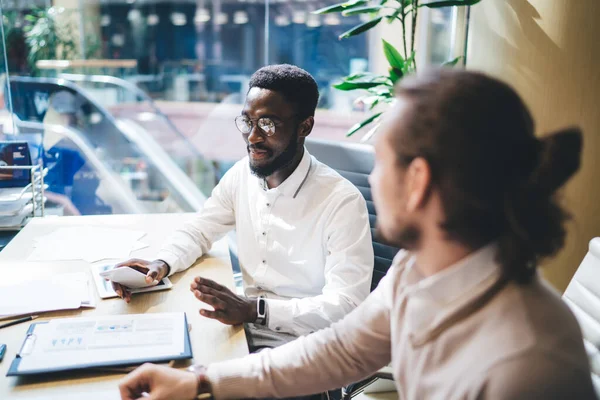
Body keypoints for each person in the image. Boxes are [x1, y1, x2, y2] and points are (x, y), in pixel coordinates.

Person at [118, 69, 597, 400]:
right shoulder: (421, 268)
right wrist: (202, 381)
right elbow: (343, 348)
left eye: (382, 160)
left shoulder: (527, 363)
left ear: (419, 181)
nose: (371, 179)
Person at [111, 64, 374, 350]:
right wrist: (160, 264)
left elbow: (346, 305)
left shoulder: (341, 202)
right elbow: (201, 229)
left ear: (304, 127)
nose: (252, 137)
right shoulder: (241, 175)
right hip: (242, 331)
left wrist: (255, 310)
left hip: (304, 347)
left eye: (268, 124)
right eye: (248, 122)